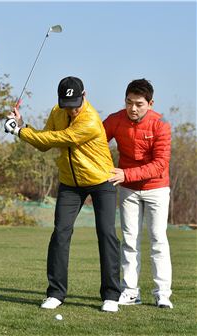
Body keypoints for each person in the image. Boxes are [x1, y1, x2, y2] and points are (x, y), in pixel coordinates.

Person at [4, 76, 121, 312]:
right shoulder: (57, 112)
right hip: (70, 182)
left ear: (84, 96)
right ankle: (56, 293)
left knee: (106, 233)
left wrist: (20, 132)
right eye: (67, 105)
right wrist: (23, 125)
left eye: (76, 103)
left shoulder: (89, 119)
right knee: (60, 234)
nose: (72, 109)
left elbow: (61, 138)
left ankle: (111, 295)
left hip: (100, 180)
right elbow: (44, 142)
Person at [103, 79, 173, 309]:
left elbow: (160, 164)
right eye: (129, 102)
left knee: (158, 240)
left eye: (139, 104)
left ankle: (162, 294)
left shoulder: (161, 125)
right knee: (130, 241)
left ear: (150, 103)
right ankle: (130, 292)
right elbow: (94, 140)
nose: (133, 109)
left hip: (157, 189)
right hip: (128, 190)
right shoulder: (115, 119)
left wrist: (125, 174)